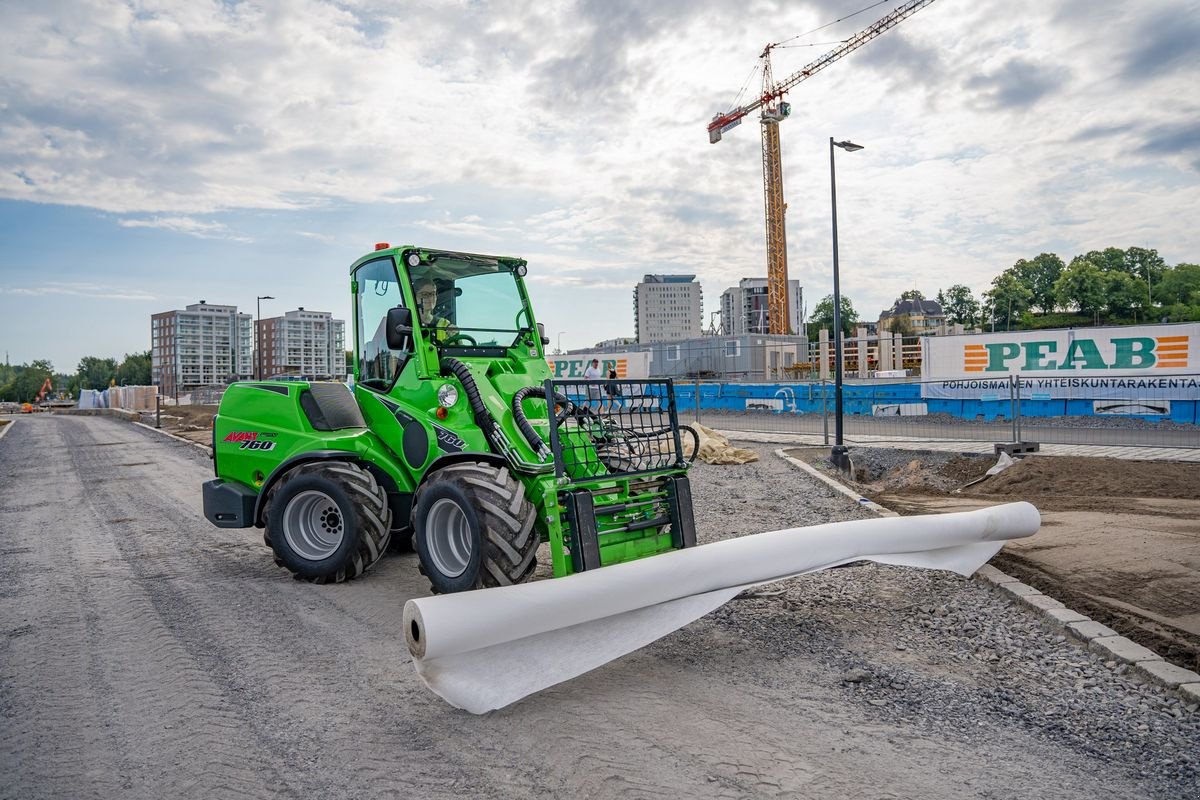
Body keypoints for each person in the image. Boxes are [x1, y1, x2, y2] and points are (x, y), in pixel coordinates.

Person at [413, 278, 455, 345]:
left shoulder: (444, 324)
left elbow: (454, 350)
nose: (430, 298)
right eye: (424, 294)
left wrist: (454, 336)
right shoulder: (407, 323)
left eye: (433, 294)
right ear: (414, 296)